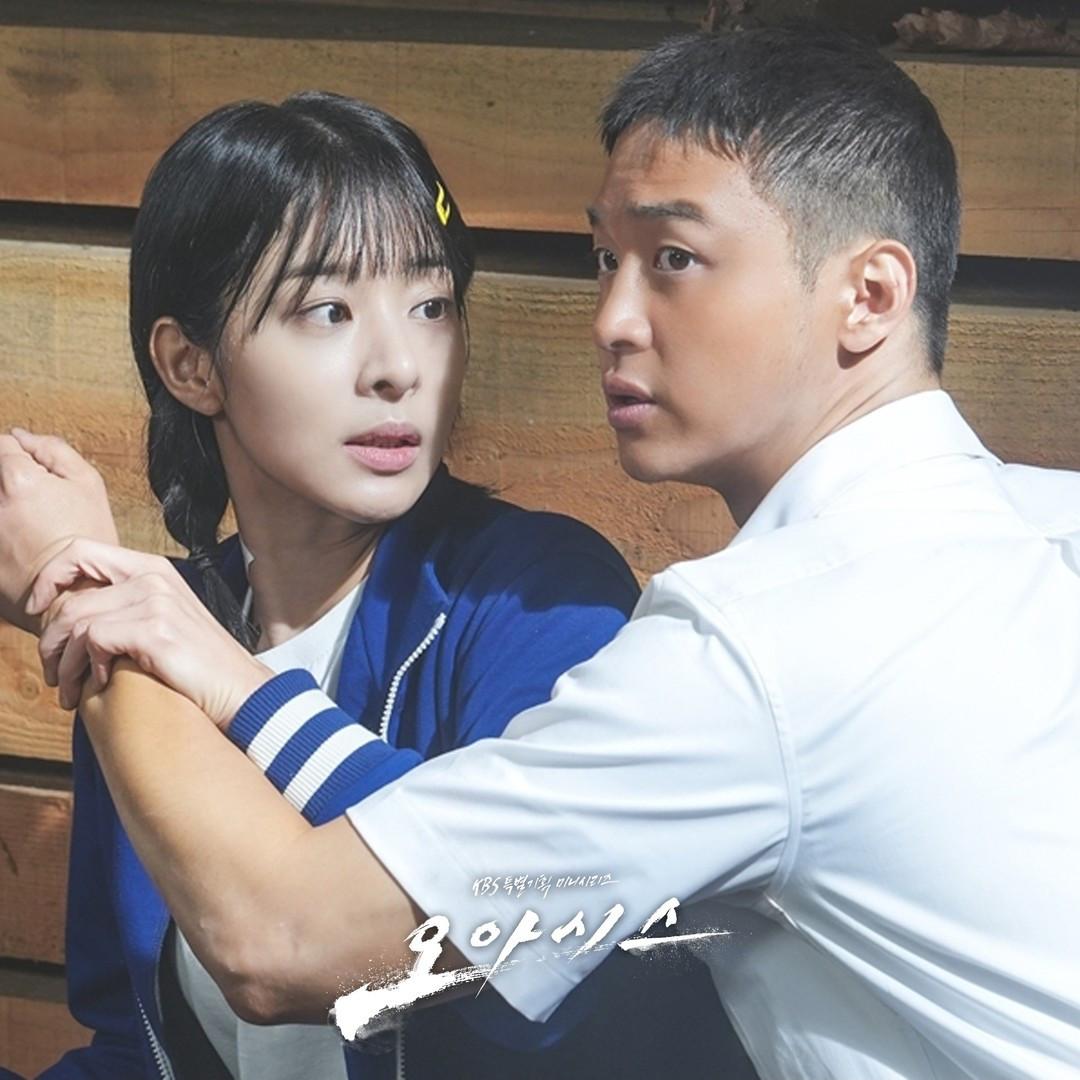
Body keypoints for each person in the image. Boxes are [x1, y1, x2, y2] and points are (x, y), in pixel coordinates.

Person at [4, 23, 1079, 1079]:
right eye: (606, 259)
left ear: (871, 296)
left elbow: (290, 937)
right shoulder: (1051, 528)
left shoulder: (738, 649)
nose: (609, 318)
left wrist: (100, 604)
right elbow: (131, 1034)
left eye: (674, 259)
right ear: (189, 366)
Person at [0, 91, 747, 1080]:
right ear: (191, 365)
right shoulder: (149, 625)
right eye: (328, 311)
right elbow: (133, 1046)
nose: (398, 367)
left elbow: (531, 954)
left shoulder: (539, 597)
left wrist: (75, 585)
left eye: (432, 306)